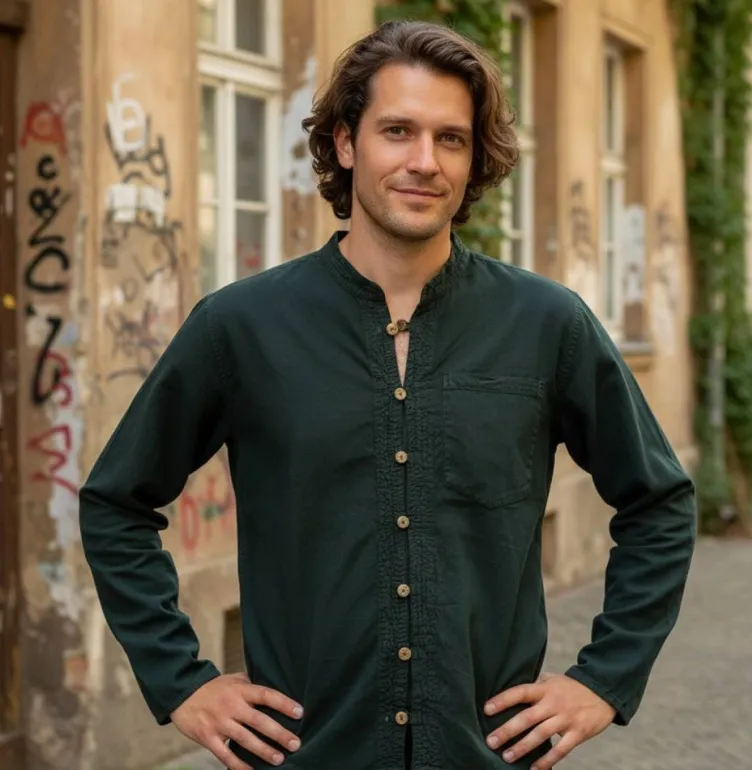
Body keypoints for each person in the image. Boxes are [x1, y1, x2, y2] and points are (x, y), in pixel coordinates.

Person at [79, 19, 697, 770]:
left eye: (451, 139)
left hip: (485, 755)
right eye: (398, 131)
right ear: (346, 143)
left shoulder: (546, 324)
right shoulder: (241, 326)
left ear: (474, 159)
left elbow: (660, 503)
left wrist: (603, 680)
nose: (424, 162)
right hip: (305, 754)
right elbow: (116, 503)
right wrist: (182, 682)